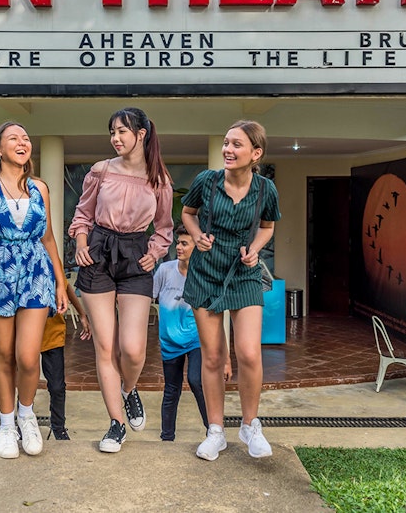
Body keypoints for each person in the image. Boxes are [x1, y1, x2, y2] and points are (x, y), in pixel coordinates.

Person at [68, 106, 174, 453]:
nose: (115, 138)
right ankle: (116, 424)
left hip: (135, 255)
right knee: (105, 347)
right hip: (98, 251)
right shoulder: (100, 171)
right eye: (112, 132)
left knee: (133, 348)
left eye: (122, 132)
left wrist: (155, 252)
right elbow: (82, 214)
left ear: (140, 134)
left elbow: (164, 228)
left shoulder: (158, 180)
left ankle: (128, 390)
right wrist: (82, 243)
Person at [0, 121, 69, 460]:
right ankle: (6, 424)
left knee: (27, 355)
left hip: (36, 274)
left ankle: (26, 415)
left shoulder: (40, 188)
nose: (23, 142)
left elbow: (48, 238)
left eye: (26, 137)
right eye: (13, 138)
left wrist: (61, 282)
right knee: (5, 357)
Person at [180, 120, 280, 461]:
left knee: (249, 353)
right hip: (206, 271)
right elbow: (187, 213)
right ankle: (216, 431)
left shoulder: (266, 189)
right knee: (212, 356)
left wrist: (255, 247)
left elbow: (267, 227)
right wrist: (196, 236)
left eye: (236, 145)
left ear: (255, 153)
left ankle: (251, 425)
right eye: (226, 143)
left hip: (244, 271)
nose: (228, 150)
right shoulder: (206, 182)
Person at [154, 224, 230, 441]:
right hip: (169, 342)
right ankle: (167, 438)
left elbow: (217, 320)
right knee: (171, 391)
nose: (178, 247)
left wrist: (225, 359)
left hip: (197, 340)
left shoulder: (205, 276)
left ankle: (214, 431)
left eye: (184, 243)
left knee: (197, 380)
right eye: (178, 242)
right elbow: (148, 299)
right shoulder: (164, 271)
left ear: (197, 247)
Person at [40, 281, 91, 440]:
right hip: (26, 333)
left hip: (52, 332)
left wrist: (82, 314)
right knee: (25, 382)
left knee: (57, 386)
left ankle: (58, 427)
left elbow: (66, 286)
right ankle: (23, 423)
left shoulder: (54, 265)